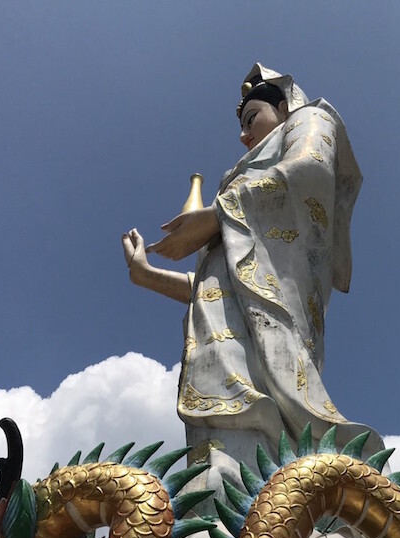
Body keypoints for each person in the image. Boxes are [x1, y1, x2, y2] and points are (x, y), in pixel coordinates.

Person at [122, 63, 384, 493]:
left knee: (269, 421)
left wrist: (217, 214)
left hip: (281, 313)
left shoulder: (311, 119)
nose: (244, 136)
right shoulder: (239, 211)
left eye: (251, 119)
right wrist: (148, 276)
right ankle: (223, 483)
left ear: (284, 108)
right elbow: (219, 290)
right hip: (222, 345)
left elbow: (310, 171)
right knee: (219, 442)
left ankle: (267, 492)